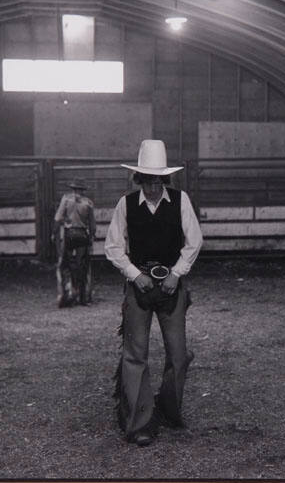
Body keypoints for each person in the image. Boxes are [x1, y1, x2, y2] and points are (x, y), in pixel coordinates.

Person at [104, 139, 203, 446]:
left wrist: (176, 274)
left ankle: (169, 407)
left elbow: (194, 241)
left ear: (164, 179)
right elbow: (113, 246)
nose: (150, 187)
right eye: (145, 180)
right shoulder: (126, 204)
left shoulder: (181, 200)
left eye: (156, 180)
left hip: (172, 284)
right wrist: (134, 275)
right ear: (139, 179)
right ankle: (140, 422)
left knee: (178, 353)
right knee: (136, 354)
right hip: (140, 286)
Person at [52, 178, 96, 308]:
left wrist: (54, 233)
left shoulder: (66, 199)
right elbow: (92, 225)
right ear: (82, 190)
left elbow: (58, 218)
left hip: (69, 235)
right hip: (82, 235)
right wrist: (92, 237)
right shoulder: (88, 203)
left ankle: (68, 293)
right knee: (82, 265)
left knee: (66, 264)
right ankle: (83, 298)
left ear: (73, 189)